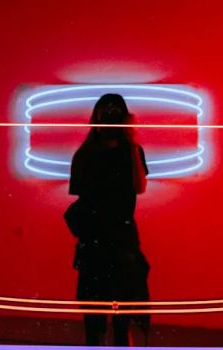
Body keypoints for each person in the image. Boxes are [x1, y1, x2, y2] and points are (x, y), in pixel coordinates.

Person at [65, 93, 150, 346]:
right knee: (95, 321)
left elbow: (139, 187)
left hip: (120, 240)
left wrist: (132, 143)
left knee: (121, 320)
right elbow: (83, 195)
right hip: (98, 242)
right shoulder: (85, 154)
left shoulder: (130, 151)